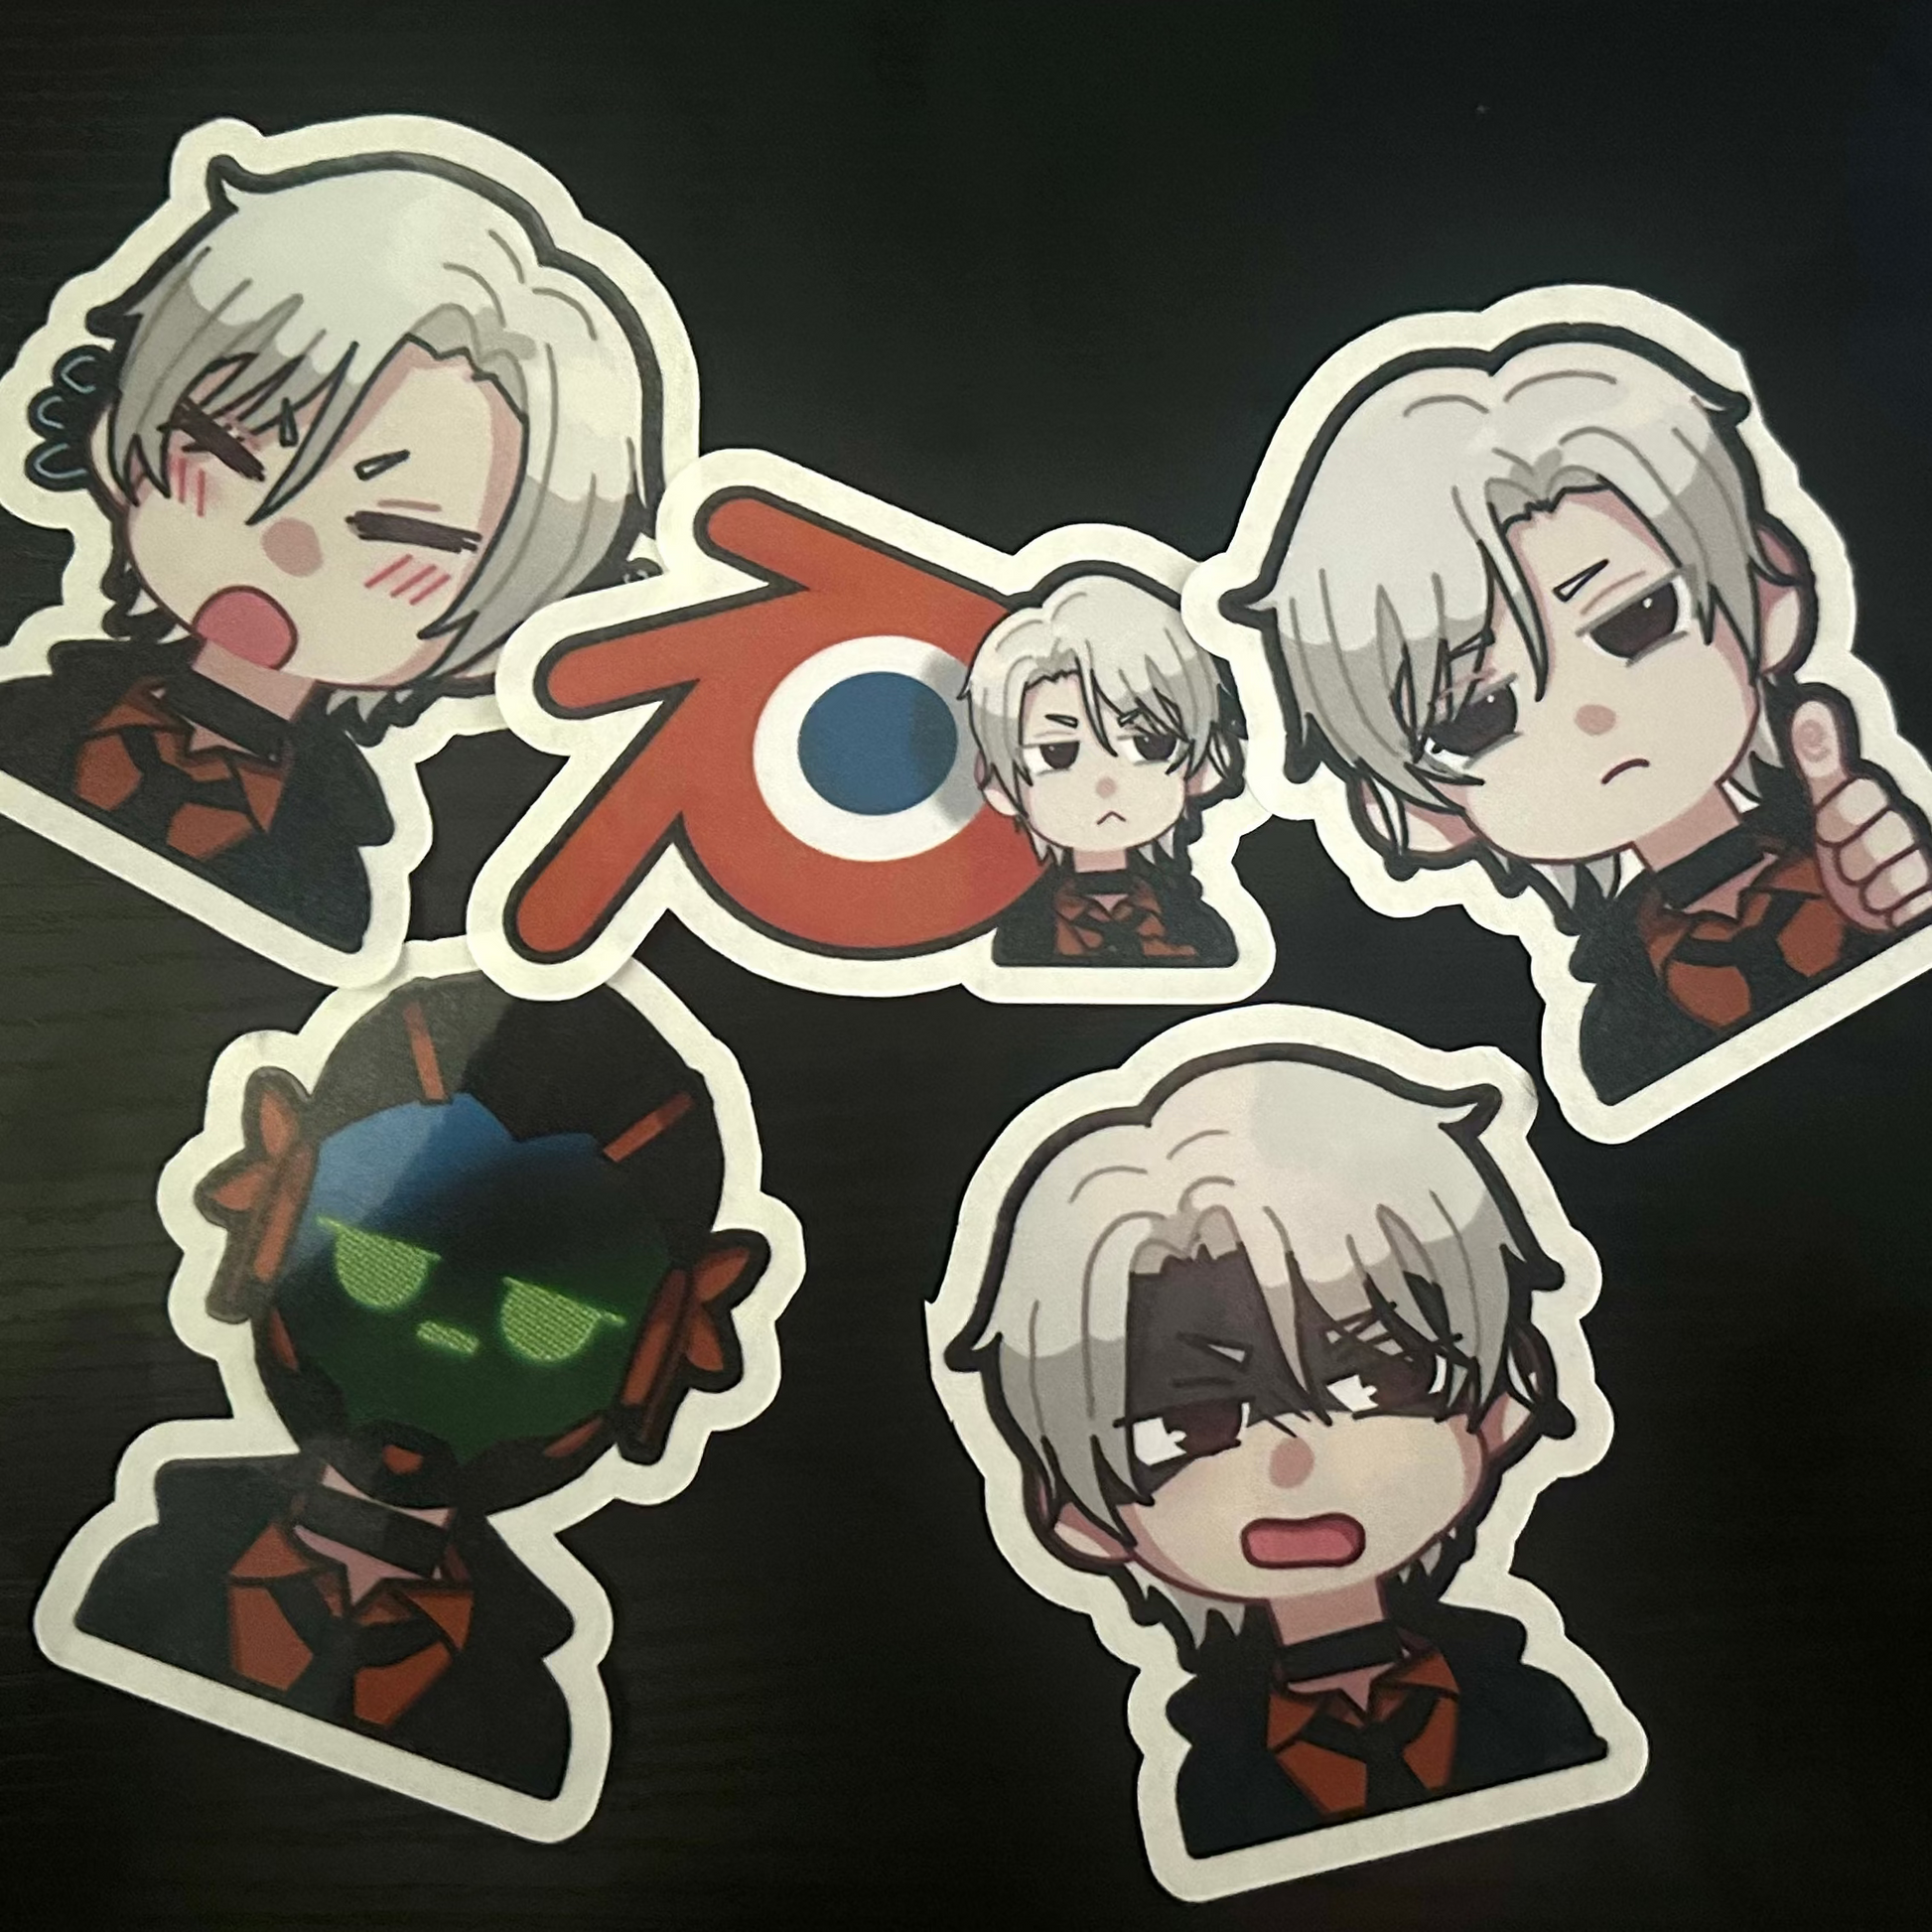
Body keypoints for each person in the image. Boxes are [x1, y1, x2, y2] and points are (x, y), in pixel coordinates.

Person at [73, 972, 765, 1801]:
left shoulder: (527, 1717)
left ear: (662, 1348)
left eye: (545, 1323)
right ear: (274, 1218)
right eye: (377, 1266)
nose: (448, 1337)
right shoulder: (143, 1578)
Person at [1228, 331, 1932, 1101]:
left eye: (1636, 619)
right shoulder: (1616, 1024)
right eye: (1479, 717)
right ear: (1422, 814)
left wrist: (1889, 909)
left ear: (1768, 598)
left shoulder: (1863, 852)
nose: (1592, 714)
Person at [947, 1044, 1607, 1860]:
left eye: (1377, 1381)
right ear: (1079, 1518)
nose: (1291, 1459)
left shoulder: (1533, 1705)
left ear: (1505, 1404)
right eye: (1185, 1430)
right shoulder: (1206, 1786)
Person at [0, 153, 659, 952]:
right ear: (131, 418)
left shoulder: (333, 884)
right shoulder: (28, 716)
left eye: (395, 536)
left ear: (503, 614)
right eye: (228, 454)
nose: (290, 543)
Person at [965, 572, 1244, 967]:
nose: (1106, 783)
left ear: (1206, 766)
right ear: (997, 784)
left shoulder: (1194, 924)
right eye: (1057, 752)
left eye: (1149, 744)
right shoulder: (1025, 931)